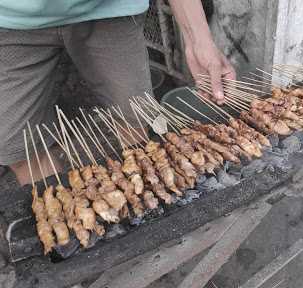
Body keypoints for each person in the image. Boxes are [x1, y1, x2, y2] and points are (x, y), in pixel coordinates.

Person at [0, 0, 236, 185]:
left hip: (110, 9)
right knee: (18, 148)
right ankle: (62, 219)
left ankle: (142, 188)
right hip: (11, 19)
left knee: (135, 116)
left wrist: (198, 39)